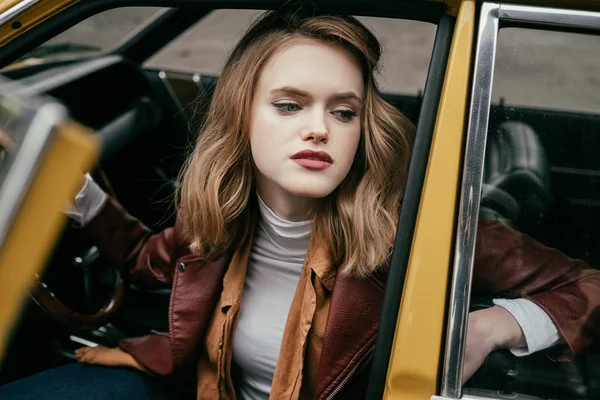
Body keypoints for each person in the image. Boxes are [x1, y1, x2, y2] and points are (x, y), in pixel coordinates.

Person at [1, 6, 599, 400]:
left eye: (343, 111)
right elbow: (143, 259)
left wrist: (494, 325)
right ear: (242, 116)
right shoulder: (222, 214)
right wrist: (71, 190)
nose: (320, 129)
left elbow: (589, 287)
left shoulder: (423, 231)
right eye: (289, 105)